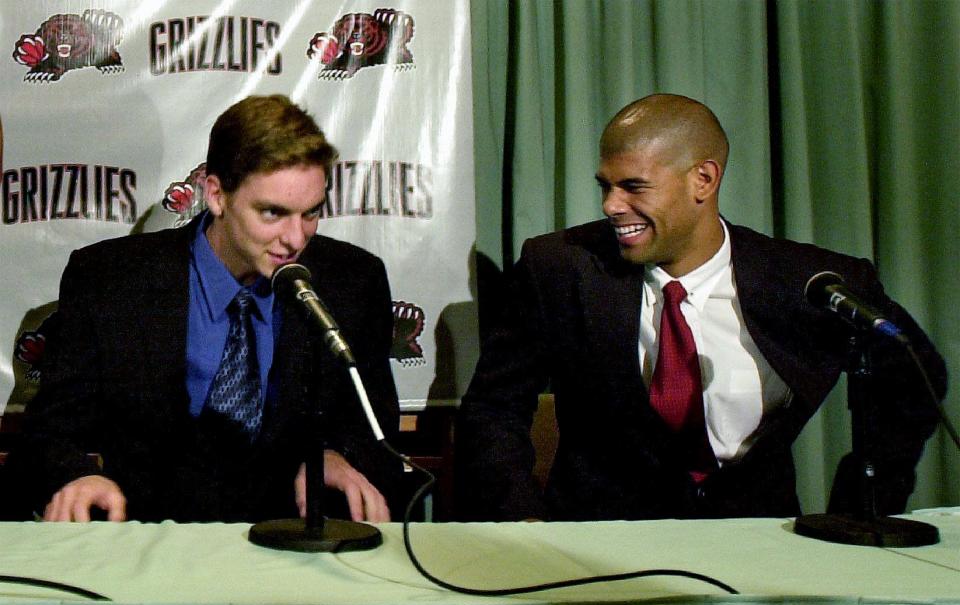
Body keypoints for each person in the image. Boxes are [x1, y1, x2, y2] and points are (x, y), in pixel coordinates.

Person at [457, 93, 947, 522]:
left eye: (633, 186)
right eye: (605, 185)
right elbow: (493, 407)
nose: (610, 204)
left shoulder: (810, 284)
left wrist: (863, 504)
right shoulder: (561, 268)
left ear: (703, 179)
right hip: (598, 548)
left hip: (756, 548)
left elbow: (914, 374)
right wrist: (520, 522)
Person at [16, 95, 401, 523]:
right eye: (272, 213)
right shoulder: (110, 280)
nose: (296, 239)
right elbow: (48, 432)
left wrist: (333, 455)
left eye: (310, 213)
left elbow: (375, 430)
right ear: (217, 195)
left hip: (291, 544)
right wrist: (76, 476)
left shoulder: (352, 281)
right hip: (148, 542)